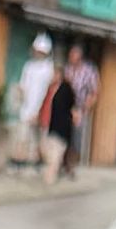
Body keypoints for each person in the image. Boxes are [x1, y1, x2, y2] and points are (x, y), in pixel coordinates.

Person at [9, 32, 56, 170]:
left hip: (40, 108)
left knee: (38, 137)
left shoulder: (48, 69)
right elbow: (23, 84)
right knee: (22, 134)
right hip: (26, 106)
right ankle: (19, 159)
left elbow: (46, 91)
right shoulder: (29, 66)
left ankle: (38, 161)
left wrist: (39, 110)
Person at [40, 36, 82, 183]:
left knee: (56, 153)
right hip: (51, 125)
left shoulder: (67, 89)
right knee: (47, 150)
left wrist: (76, 115)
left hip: (62, 127)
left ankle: (51, 177)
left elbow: (74, 105)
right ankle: (52, 174)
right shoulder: (51, 88)